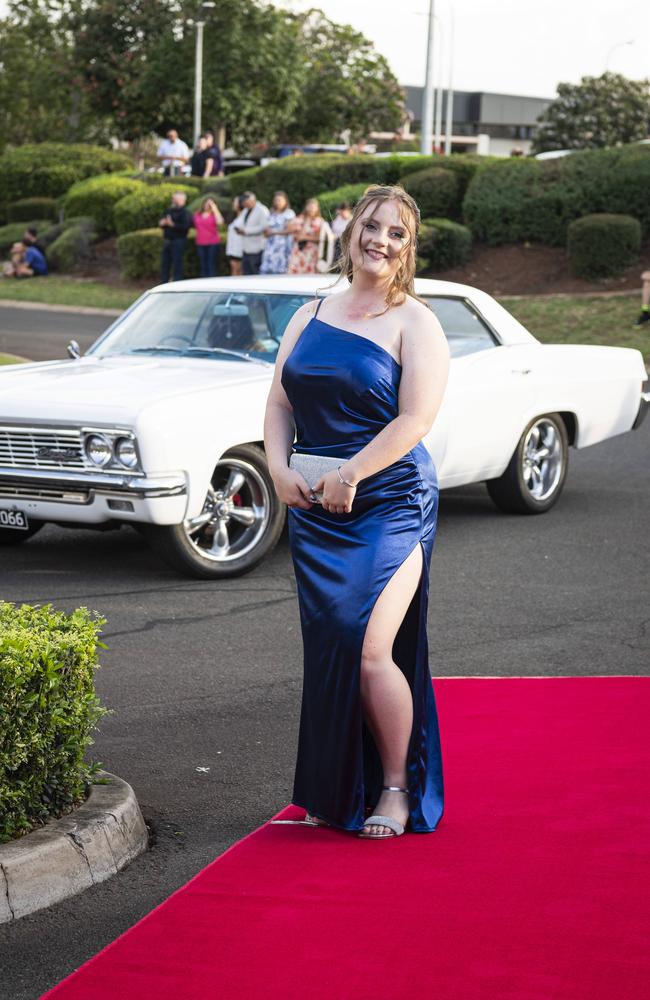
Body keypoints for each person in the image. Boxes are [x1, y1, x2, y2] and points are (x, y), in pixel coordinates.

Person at [263, 184, 450, 839]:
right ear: (350, 231)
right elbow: (281, 401)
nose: (381, 240)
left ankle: (396, 789)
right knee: (332, 647)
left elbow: (416, 419)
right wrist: (278, 467)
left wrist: (353, 472)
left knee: (371, 646)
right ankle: (336, 790)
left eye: (396, 233)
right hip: (316, 501)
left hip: (389, 500)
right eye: (372, 226)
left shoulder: (416, 322)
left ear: (408, 248)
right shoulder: (310, 311)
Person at [287, 198, 328, 274]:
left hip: (311, 250)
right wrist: (306, 221)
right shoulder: (300, 219)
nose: (311, 209)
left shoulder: (320, 221)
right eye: (309, 207)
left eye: (313, 207)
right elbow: (294, 232)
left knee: (309, 271)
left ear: (317, 209)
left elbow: (320, 238)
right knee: (295, 269)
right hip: (299, 248)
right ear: (306, 207)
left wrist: (305, 237)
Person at [158, 191, 192, 282]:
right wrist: (162, 223)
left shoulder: (185, 213)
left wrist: (172, 224)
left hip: (178, 241)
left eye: (175, 199)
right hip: (167, 240)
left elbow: (185, 227)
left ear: (181, 200)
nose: (173, 201)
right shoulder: (169, 210)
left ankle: (177, 282)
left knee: (177, 264)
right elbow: (162, 222)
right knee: (165, 264)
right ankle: (164, 282)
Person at [260, 191, 296, 274]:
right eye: (276, 200)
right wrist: (266, 232)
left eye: (280, 200)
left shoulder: (289, 213)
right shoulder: (272, 213)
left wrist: (273, 232)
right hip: (270, 246)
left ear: (285, 201)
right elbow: (267, 229)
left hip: (282, 247)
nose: (278, 202)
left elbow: (290, 230)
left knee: (281, 270)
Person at [236, 191, 270, 275]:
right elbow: (240, 222)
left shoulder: (262, 210)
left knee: (255, 272)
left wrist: (246, 231)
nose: (245, 205)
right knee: (247, 272)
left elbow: (264, 227)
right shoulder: (246, 210)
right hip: (246, 248)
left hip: (257, 248)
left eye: (246, 203)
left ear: (252, 200)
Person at [193, 196, 224, 278]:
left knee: (211, 264)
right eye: (206, 203)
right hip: (200, 242)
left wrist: (215, 209)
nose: (207, 205)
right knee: (203, 264)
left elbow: (220, 222)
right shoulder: (197, 214)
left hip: (212, 243)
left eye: (210, 203)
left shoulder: (214, 215)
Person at [225, 196, 245, 276]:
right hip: (232, 247)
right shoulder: (233, 216)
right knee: (233, 268)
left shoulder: (245, 216)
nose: (234, 204)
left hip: (240, 247)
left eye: (235, 203)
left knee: (239, 269)